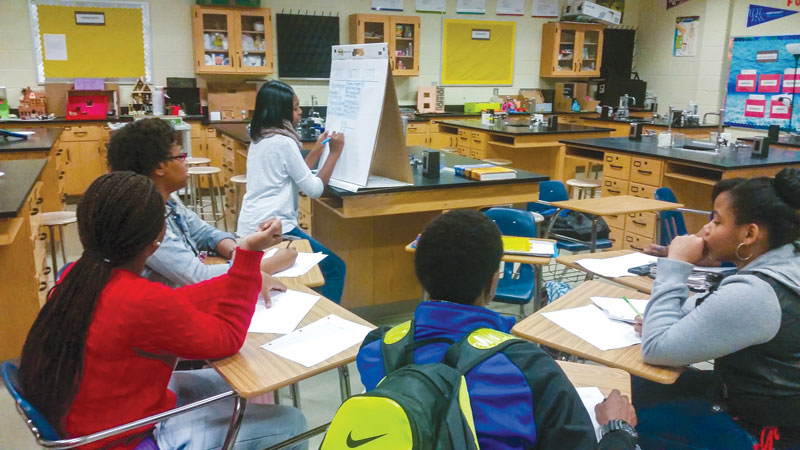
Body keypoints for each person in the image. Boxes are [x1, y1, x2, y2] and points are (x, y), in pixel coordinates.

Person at [18, 172, 306, 450]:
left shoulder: (75, 276)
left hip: (88, 421)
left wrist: (240, 274)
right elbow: (227, 338)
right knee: (292, 422)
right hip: (123, 438)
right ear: (156, 240)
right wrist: (248, 257)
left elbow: (175, 301)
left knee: (232, 385)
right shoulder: (142, 301)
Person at [357, 209, 640, 449]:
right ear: (493, 283)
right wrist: (619, 429)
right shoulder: (530, 369)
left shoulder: (376, 350)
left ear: (421, 275)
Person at [635, 167, 800, 450]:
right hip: (757, 402)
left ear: (749, 233)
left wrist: (676, 265)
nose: (706, 229)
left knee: (619, 416)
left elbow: (656, 348)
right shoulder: (787, 258)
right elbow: (710, 308)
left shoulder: (757, 293)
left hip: (759, 431)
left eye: (718, 221)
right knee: (635, 385)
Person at [107, 118, 294, 305]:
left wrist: (237, 250)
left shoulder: (168, 200)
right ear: (159, 167)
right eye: (180, 156)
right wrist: (269, 264)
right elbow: (198, 277)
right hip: (167, 307)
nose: (186, 161)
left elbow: (205, 233)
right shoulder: (142, 219)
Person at [237, 80, 346, 303]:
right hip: (274, 229)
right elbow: (314, 189)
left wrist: (316, 151)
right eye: (296, 107)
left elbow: (293, 176)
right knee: (336, 268)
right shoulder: (284, 142)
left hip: (250, 224)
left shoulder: (261, 138)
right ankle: (327, 319)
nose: (300, 112)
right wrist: (334, 153)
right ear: (282, 113)